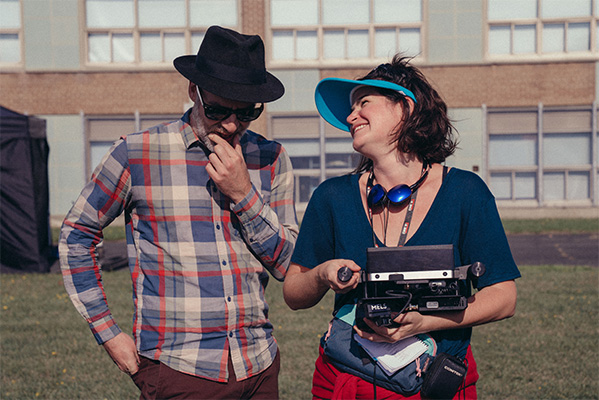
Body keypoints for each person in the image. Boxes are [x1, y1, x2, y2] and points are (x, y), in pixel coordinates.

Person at [60, 26, 298, 399]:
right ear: (193, 92)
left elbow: (287, 265)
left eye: (248, 112)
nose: (232, 124)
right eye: (218, 109)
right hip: (179, 369)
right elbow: (76, 235)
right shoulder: (136, 154)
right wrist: (107, 332)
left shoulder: (271, 158)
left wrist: (243, 194)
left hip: (259, 364)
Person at [283, 55, 521, 399]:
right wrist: (321, 274)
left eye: (363, 103)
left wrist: (426, 322)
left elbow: (503, 298)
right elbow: (292, 293)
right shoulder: (331, 196)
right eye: (351, 109)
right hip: (347, 380)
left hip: (434, 383)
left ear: (405, 108)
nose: (351, 116)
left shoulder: (466, 192)